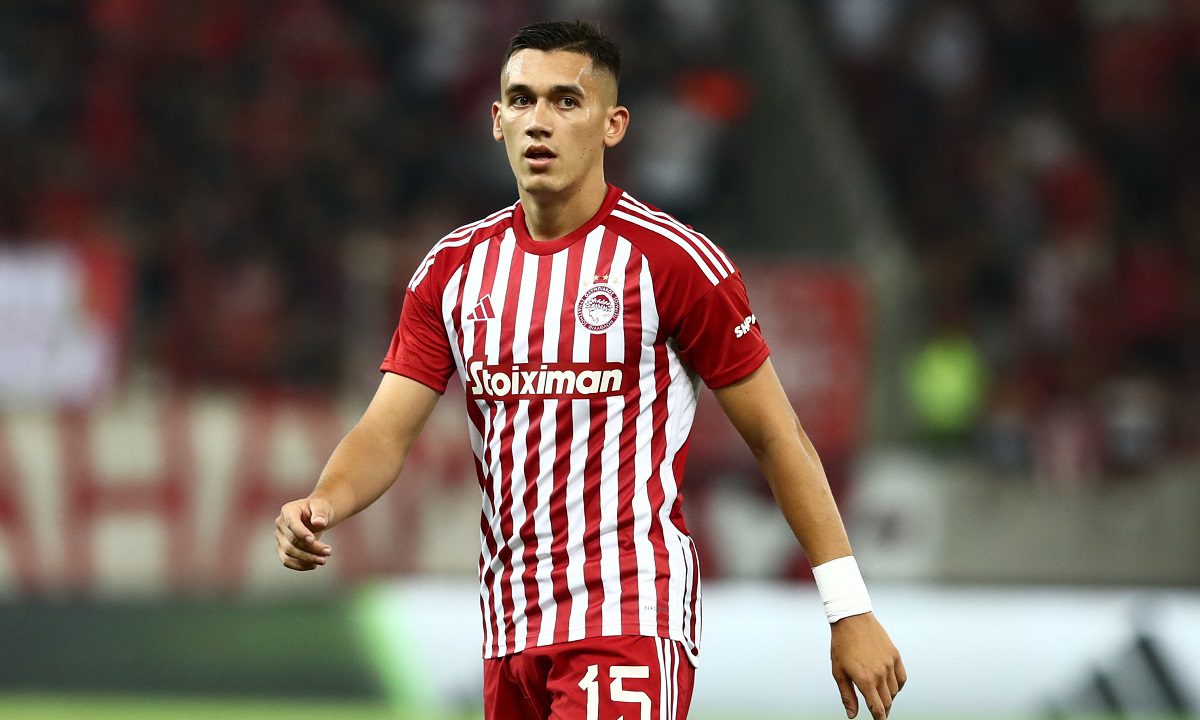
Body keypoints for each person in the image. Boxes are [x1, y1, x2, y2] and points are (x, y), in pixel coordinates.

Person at [276, 20, 905, 720]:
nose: (539, 121)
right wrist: (324, 502)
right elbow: (384, 431)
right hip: (510, 631)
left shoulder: (672, 262)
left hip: (628, 620)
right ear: (496, 120)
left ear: (614, 125)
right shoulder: (452, 271)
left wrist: (848, 607)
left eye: (565, 101)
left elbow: (777, 436)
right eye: (521, 100)